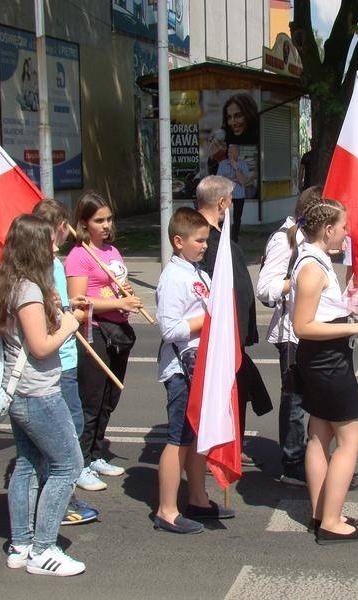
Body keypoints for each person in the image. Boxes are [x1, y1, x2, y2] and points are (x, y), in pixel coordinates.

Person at [0, 215, 85, 576]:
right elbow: (41, 347)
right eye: (49, 242)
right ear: (33, 247)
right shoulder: (27, 290)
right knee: (68, 465)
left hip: (22, 395)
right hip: (38, 394)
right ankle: (43, 549)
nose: (55, 247)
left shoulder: (15, 284)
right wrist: (70, 325)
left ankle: (21, 543)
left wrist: (60, 310)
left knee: (28, 464)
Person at [290, 197, 358, 545]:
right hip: (326, 361)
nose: (346, 233)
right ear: (327, 229)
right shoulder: (312, 267)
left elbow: (322, 312)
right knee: (352, 438)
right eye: (342, 227)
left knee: (320, 433)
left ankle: (320, 511)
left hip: (324, 358)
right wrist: (354, 328)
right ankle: (331, 521)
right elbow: (303, 326)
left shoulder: (317, 260)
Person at [154, 207, 235, 534]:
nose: (204, 246)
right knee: (179, 439)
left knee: (198, 436)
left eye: (206, 240)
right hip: (181, 370)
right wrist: (212, 318)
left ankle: (198, 499)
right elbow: (169, 329)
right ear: (178, 241)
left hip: (202, 366)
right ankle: (166, 510)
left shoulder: (197, 273)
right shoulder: (174, 277)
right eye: (199, 240)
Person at [66, 191, 143, 491]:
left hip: (118, 333)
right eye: (99, 220)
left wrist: (125, 291)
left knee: (110, 398)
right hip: (93, 333)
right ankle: (80, 462)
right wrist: (117, 305)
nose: (106, 225)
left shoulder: (111, 251)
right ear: (84, 223)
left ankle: (96, 453)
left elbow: (113, 286)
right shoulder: (79, 255)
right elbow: (79, 302)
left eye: (109, 219)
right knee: (92, 400)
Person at [32, 199, 100, 526]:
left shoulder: (51, 264)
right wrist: (72, 315)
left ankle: (56, 496)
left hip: (65, 357)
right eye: (64, 226)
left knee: (69, 430)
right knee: (67, 435)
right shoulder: (45, 265)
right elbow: (48, 315)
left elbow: (55, 302)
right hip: (60, 359)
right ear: (59, 227)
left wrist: (71, 302)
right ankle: (61, 502)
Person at [197, 175, 270, 466]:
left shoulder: (218, 233)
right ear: (222, 202)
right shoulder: (203, 236)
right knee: (228, 390)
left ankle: (230, 444)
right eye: (230, 200)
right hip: (222, 334)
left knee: (239, 389)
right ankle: (222, 447)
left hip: (234, 332)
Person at [256, 186, 320, 487]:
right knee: (294, 400)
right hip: (292, 332)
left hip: (312, 329)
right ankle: (292, 461)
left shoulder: (310, 240)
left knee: (309, 398)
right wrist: (298, 280)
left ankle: (305, 454)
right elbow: (266, 289)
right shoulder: (285, 239)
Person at [216, 144, 250, 242]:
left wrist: (236, 168)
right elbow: (219, 180)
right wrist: (235, 179)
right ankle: (222, 238)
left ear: (237, 153)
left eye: (231, 152)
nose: (229, 154)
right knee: (223, 217)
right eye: (228, 152)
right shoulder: (222, 164)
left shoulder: (243, 164)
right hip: (226, 196)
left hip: (239, 196)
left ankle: (234, 239)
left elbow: (243, 181)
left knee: (237, 219)